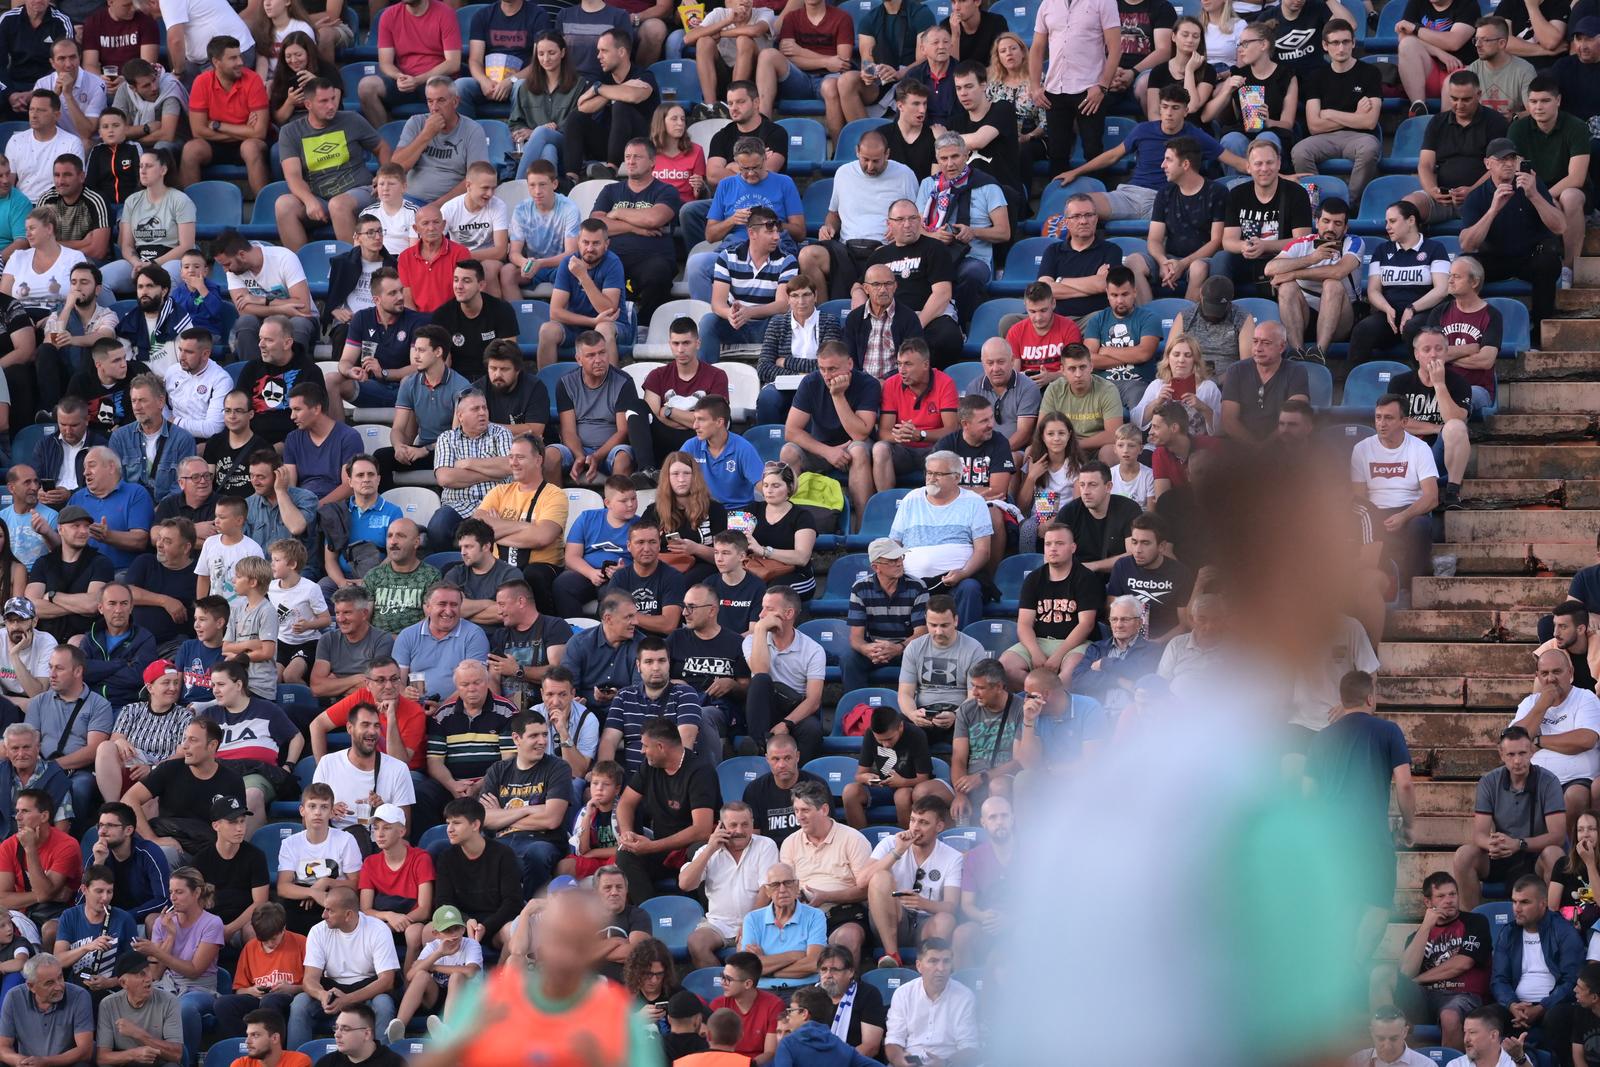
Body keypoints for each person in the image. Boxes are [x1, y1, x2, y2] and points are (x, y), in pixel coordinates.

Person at [1452, 726, 1567, 910]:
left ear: (1532, 751)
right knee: (1464, 855)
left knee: (1554, 854)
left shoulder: (1549, 781)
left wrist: (1519, 844)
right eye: (1511, 754)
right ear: (1501, 754)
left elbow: (1558, 836)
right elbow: (1479, 834)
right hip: (1502, 854)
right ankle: (1472, 926)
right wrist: (1492, 844)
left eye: (1522, 753)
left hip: (1535, 855)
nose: (1517, 760)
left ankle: (1551, 925)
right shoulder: (1489, 782)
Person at [1458, 137, 1564, 333]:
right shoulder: (1477, 196)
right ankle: (1466, 328)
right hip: (1495, 258)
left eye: (1511, 158)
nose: (1508, 164)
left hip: (1530, 257)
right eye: (1501, 159)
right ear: (1488, 163)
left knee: (1548, 260)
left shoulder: (1532, 185)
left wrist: (1534, 195)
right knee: (1462, 267)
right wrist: (1493, 211)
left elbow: (1560, 227)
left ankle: (1541, 331)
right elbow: (1467, 244)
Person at [797, 131, 918, 303]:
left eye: (876, 161)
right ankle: (823, 313)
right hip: (847, 248)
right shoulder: (843, 173)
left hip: (885, 247)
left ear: (887, 154)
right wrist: (828, 227)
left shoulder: (904, 174)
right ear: (857, 152)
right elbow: (833, 214)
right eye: (865, 160)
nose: (870, 166)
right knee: (807, 255)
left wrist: (899, 230)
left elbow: (915, 217)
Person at [614, 715, 719, 903]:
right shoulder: (650, 766)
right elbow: (625, 803)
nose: (642, 751)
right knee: (625, 855)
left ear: (661, 747)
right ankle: (648, 914)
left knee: (698, 852)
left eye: (645, 746)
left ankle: (705, 916)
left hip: (691, 846)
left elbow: (702, 830)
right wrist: (628, 834)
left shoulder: (700, 771)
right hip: (663, 846)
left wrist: (651, 846)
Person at [276, 80, 384, 254]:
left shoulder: (351, 119)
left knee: (338, 205)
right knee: (283, 205)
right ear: (308, 104)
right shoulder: (290, 132)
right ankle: (301, 270)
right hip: (320, 199)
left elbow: (381, 147)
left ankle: (353, 266)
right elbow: (293, 175)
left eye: (333, 99)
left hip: (357, 191)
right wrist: (309, 200)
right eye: (324, 101)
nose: (331, 105)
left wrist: (383, 174)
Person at [286, 887, 399, 1051]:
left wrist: (347, 999)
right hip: (331, 989)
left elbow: (387, 981)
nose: (323, 915)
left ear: (348, 915)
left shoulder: (378, 929)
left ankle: (384, 1060)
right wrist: (322, 994)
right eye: (325, 908)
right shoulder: (318, 931)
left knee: (384, 1004)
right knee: (300, 1003)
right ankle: (296, 1061)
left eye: (330, 910)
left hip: (368, 989)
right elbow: (309, 979)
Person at [887, 451, 991, 628]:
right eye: (929, 473)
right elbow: (894, 543)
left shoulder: (974, 502)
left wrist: (963, 573)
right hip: (913, 581)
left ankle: (965, 646)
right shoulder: (911, 499)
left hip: (957, 580)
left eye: (939, 474)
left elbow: (983, 550)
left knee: (971, 587)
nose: (932, 479)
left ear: (956, 478)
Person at [778, 344, 878, 527]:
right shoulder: (811, 382)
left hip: (854, 446)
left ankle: (863, 525)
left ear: (849, 364)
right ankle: (788, 522)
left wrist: (838, 396)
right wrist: (827, 451)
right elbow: (791, 431)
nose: (827, 375)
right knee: (788, 452)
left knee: (858, 451)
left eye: (832, 369)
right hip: (821, 448)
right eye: (822, 369)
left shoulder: (867, 384)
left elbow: (860, 434)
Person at [1391, 872, 1491, 1051]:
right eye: (1441, 896)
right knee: (1385, 977)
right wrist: (1426, 927)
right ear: (1428, 903)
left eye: (1452, 894)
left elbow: (1462, 963)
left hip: (1463, 996)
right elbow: (1405, 973)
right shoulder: (1416, 937)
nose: (1449, 900)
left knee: (1449, 1015)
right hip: (1426, 1000)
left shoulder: (1476, 922)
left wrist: (1418, 981)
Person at [859, 795, 961, 969]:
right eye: (912, 820)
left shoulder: (953, 857)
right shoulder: (891, 843)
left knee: (946, 919)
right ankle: (892, 956)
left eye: (923, 823)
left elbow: (952, 906)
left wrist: (923, 903)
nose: (915, 828)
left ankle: (930, 966)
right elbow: (862, 881)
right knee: (880, 877)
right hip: (891, 920)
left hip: (926, 923)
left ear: (939, 826)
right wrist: (897, 852)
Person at [1351, 393, 1439, 590]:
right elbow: (1358, 497)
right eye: (1378, 417)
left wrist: (1404, 516)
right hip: (1374, 510)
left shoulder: (1420, 448)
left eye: (1389, 418)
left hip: (1409, 510)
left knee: (1420, 526)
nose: (1382, 423)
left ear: (1404, 421)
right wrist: (1373, 517)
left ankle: (1410, 587)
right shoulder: (1361, 449)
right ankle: (1380, 582)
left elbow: (1431, 497)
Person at [1348, 201, 1453, 364]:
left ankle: (1423, 382)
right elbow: (1373, 290)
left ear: (1411, 221)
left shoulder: (1434, 248)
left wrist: (1412, 308)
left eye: (1393, 221)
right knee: (1363, 329)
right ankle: (1354, 383)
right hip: (1390, 315)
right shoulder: (1382, 250)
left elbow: (1442, 289)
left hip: (1423, 313)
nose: (1387, 227)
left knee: (1414, 329)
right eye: (1386, 222)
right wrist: (1386, 308)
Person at [589, 139, 680, 327]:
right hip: (614, 258)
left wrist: (618, 213)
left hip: (652, 259)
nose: (630, 161)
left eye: (637, 157)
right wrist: (634, 227)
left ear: (652, 162)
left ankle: (645, 326)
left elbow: (654, 219)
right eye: (627, 157)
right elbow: (596, 225)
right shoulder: (611, 190)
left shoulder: (666, 190)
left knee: (658, 273)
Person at [679, 801, 779, 969]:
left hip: (757, 920)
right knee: (696, 943)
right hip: (718, 923)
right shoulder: (707, 850)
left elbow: (766, 889)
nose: (739, 831)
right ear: (721, 826)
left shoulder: (765, 845)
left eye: (745, 824)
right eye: (733, 825)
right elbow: (685, 884)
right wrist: (710, 849)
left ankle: (737, 989)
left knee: (745, 955)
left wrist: (749, 923)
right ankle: (721, 989)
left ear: (753, 824)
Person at [860, 200, 963, 364]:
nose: (907, 224)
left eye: (913, 218)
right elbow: (859, 288)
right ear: (889, 224)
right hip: (890, 316)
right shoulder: (879, 256)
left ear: (920, 221)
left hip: (929, 316)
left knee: (947, 338)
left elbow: (942, 293)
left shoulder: (935, 248)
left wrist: (914, 326)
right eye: (900, 219)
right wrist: (861, 317)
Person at [1289, 21, 1382, 201]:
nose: (1341, 48)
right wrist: (1356, 116)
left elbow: (1369, 122)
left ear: (1353, 43)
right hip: (1323, 138)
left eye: (1346, 42)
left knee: (1370, 148)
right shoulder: (1316, 77)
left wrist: (1330, 113)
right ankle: (1315, 203)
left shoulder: (1370, 73)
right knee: (1300, 151)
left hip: (1359, 137)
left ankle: (1350, 204)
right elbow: (1314, 125)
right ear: (1325, 45)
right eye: (1335, 43)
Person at [1405, 71, 1509, 231]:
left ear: (1478, 95)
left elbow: (1499, 167)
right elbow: (1425, 164)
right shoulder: (1437, 122)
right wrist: (1432, 190)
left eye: (1466, 99)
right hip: (1443, 198)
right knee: (1405, 210)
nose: (1459, 105)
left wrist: (1472, 190)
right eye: (1454, 99)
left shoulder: (1495, 122)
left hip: (1483, 197)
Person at [1264, 198, 1362, 364]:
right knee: (1286, 287)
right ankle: (1296, 352)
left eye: (1338, 223)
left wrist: (1293, 274)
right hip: (1304, 318)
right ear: (1317, 222)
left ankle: (1319, 353)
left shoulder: (1354, 242)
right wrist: (1311, 258)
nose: (1331, 228)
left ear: (1345, 227)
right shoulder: (1302, 243)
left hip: (1341, 319)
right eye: (1326, 221)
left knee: (1331, 284)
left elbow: (1338, 272)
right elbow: (1269, 269)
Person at [1028, 0, 1122, 175]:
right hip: (1055, 89)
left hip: (1090, 90)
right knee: (1056, 152)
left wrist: (1102, 86)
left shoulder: (1104, 2)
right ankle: (1056, 199)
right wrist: (1034, 86)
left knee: (1093, 151)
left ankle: (1098, 197)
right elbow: (1037, 47)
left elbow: (1115, 48)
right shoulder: (1048, 4)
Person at [1489, 874, 1583, 1046]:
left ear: (1543, 903)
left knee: (1557, 1017)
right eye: (1514, 901)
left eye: (1524, 902)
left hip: (1553, 1006)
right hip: (1516, 1008)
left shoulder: (1564, 932)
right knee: (1485, 1018)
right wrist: (1512, 1005)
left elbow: (1571, 981)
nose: (1517, 908)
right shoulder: (1508, 933)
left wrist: (1541, 1008)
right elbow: (1499, 979)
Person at [214, 234, 319, 369]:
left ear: (242, 255)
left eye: (227, 264)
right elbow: (243, 310)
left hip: (299, 318)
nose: (226, 270)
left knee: (299, 323)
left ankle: (294, 375)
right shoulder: (233, 271)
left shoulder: (284, 258)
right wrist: (280, 308)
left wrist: (262, 300)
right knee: (245, 322)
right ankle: (253, 376)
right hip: (264, 321)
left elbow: (303, 307)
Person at [180, 38, 269, 196]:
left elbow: (259, 133)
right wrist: (245, 129)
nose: (240, 62)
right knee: (191, 149)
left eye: (239, 56)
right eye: (233, 58)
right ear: (216, 62)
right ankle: (189, 213)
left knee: (251, 148)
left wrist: (218, 125)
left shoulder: (253, 79)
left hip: (246, 142)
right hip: (216, 144)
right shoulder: (201, 82)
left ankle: (265, 208)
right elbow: (198, 132)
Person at [360, 0, 463, 128]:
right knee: (366, 87)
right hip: (405, 80)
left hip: (436, 79)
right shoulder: (389, 15)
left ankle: (443, 142)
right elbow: (385, 63)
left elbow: (453, 63)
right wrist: (399, 77)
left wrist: (418, 80)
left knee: (438, 88)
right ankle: (387, 140)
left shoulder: (445, 13)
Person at [882, 938, 979, 1067]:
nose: (941, 968)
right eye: (933, 961)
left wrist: (946, 1063)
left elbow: (969, 1047)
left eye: (946, 961)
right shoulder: (903, 994)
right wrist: (898, 1059)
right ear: (919, 966)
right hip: (910, 1062)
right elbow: (894, 1039)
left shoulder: (964, 996)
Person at [1219, 322, 1310, 445]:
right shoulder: (1236, 371)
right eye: (1255, 341)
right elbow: (1228, 420)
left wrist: (1264, 448)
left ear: (1282, 347)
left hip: (1282, 446)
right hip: (1241, 446)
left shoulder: (1296, 371)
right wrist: (1255, 448)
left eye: (1266, 343)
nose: (1258, 348)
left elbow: (1295, 416)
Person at [0, 955, 92, 1066]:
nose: (59, 986)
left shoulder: (79, 996)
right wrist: (21, 1062)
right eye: (49, 983)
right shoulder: (14, 997)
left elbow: (85, 1051)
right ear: (31, 986)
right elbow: (3, 1048)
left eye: (60, 977)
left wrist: (46, 1062)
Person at [95, 951, 184, 1067]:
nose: (149, 979)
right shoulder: (108, 1005)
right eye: (141, 974)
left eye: (149, 972)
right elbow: (102, 1058)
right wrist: (132, 1054)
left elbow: (177, 1054)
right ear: (123, 983)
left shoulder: (169, 1001)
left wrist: (139, 1034)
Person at [707, 951, 784, 1063]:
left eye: (728, 979)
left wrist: (747, 1065)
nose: (723, 982)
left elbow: (770, 1052)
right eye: (722, 977)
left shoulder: (774, 1005)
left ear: (747, 984)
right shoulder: (717, 1005)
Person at [4, 94, 81, 204]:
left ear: (57, 115)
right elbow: (8, 183)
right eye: (31, 109)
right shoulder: (16, 141)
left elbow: (75, 185)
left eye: (41, 110)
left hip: (57, 205)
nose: (34, 115)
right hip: (22, 204)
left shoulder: (72, 143)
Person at [1467, 15, 1534, 119]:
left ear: (1502, 43)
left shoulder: (1524, 70)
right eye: (1476, 39)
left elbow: (1534, 111)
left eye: (1485, 40)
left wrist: (1514, 117)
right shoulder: (1473, 69)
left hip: (1512, 130)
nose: (1477, 45)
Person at [1346, 1007, 1438, 1067]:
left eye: (1394, 1039)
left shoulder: (1426, 1065)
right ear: (1372, 1032)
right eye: (1381, 1039)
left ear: (1405, 1032)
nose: (1387, 1046)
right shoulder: (1355, 1062)